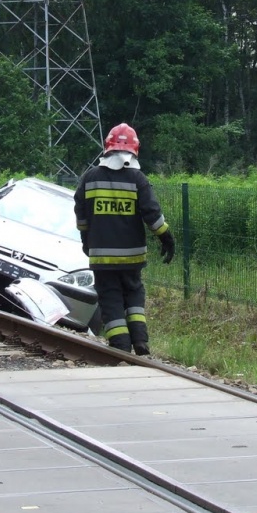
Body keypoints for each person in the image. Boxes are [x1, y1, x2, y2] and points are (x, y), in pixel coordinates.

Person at [73, 123, 175, 355]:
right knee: (133, 292)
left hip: (101, 254)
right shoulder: (137, 179)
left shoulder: (90, 178)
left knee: (110, 297)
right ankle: (140, 339)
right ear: (134, 149)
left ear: (107, 148)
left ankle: (120, 346)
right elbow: (152, 213)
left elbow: (81, 214)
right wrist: (166, 237)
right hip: (132, 255)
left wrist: (85, 240)